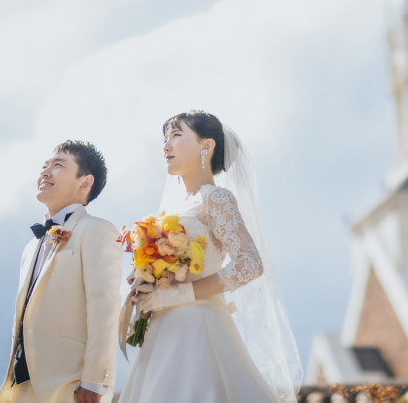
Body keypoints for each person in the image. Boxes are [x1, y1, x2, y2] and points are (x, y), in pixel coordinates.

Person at [119, 111, 302, 402]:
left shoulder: (216, 198)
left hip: (199, 328)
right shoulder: (173, 210)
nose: (166, 146)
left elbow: (250, 264)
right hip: (163, 332)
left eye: (177, 136)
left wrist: (180, 295)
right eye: (165, 138)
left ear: (206, 146)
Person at [0, 141, 123, 403]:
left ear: (84, 183)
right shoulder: (31, 246)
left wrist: (95, 380)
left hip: (70, 386)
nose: (45, 172)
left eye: (57, 165)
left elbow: (105, 308)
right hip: (20, 385)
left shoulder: (97, 230)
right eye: (44, 166)